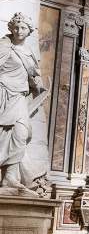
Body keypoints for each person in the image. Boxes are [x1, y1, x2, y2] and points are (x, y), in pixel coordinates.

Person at [0, 13, 46, 191]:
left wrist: (36, 83)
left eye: (24, 28)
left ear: (29, 31)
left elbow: (34, 75)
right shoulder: (4, 46)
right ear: (11, 28)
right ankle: (7, 175)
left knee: (21, 133)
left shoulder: (28, 53)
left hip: (19, 96)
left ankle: (10, 176)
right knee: (3, 133)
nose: (19, 31)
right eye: (17, 27)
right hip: (2, 92)